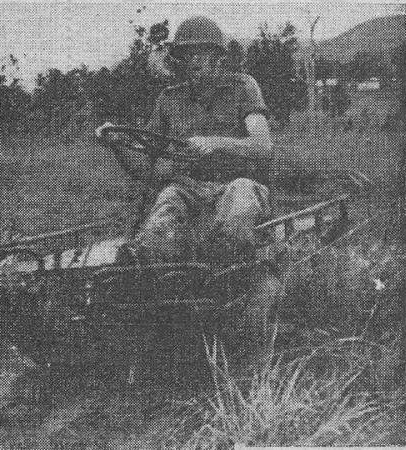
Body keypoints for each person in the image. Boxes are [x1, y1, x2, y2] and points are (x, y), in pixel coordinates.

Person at [96, 16, 284, 352]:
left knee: (239, 203)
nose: (192, 64)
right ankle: (159, 287)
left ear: (217, 58)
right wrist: (117, 145)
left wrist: (215, 142)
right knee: (164, 207)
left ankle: (226, 289)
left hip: (235, 184)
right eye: (186, 56)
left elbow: (262, 144)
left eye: (201, 55)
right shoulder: (169, 99)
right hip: (188, 188)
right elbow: (149, 171)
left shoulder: (243, 87)